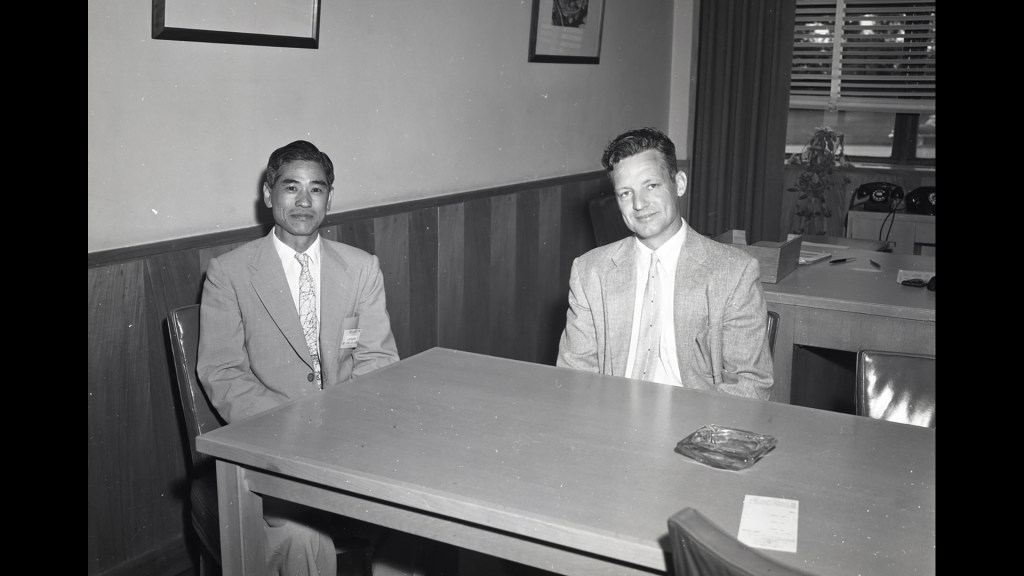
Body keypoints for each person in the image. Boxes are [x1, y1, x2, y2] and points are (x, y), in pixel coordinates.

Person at [198, 140, 419, 575]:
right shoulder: (230, 273)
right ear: (268, 195)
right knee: (303, 535)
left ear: (329, 199)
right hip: (273, 448)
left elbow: (378, 359)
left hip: (354, 443)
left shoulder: (360, 268)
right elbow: (222, 374)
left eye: (316, 190)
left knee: (426, 512)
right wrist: (299, 428)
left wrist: (346, 425)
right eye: (290, 188)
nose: (303, 201)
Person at [556, 128, 773, 399]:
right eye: (625, 193)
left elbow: (750, 384)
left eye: (651, 185)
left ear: (679, 184)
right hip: (611, 420)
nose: (639, 204)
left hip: (698, 426)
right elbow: (574, 375)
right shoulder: (590, 271)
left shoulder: (734, 272)